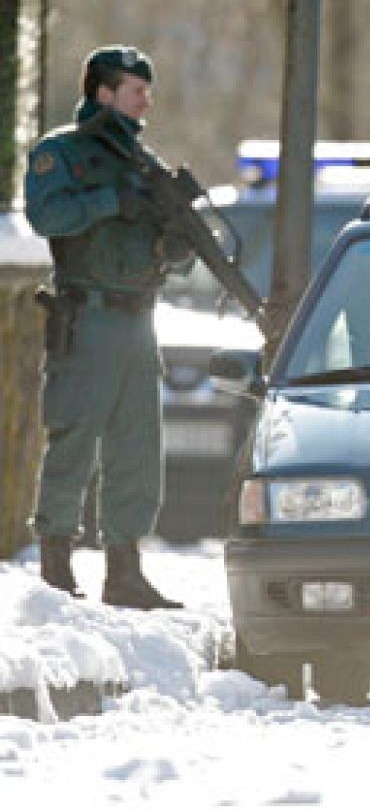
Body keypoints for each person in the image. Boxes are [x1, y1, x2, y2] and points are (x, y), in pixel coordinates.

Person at [24, 45, 192, 610]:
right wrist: (110, 200)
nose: (147, 100)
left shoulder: (144, 165)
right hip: (89, 314)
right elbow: (46, 217)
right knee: (74, 436)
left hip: (139, 319)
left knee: (138, 447)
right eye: (135, 89)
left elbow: (171, 257)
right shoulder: (61, 153)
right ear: (104, 92)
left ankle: (125, 569)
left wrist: (176, 238)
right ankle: (55, 565)